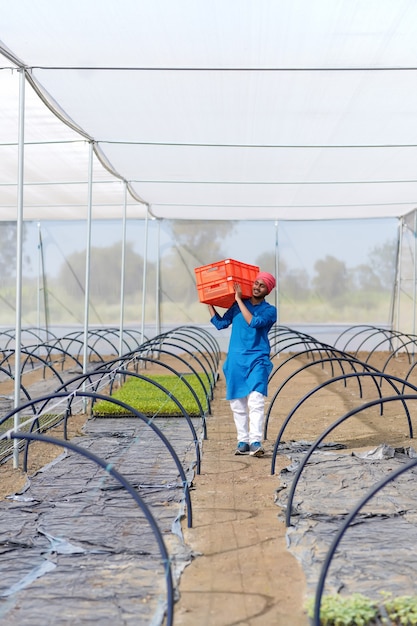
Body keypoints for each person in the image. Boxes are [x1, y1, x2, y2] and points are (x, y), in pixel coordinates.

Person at [208, 271, 277, 457]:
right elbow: (221, 324)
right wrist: (209, 303)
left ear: (267, 291)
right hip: (236, 360)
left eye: (262, 286)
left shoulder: (270, 310)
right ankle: (242, 441)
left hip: (258, 359)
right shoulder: (238, 305)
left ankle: (255, 441)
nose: (257, 287)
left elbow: (254, 322)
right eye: (256, 283)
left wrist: (238, 300)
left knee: (255, 400)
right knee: (237, 403)